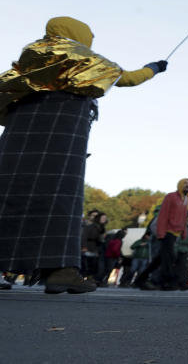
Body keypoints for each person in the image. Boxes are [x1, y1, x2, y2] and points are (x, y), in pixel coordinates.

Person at [0, 17, 166, 294]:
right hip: (62, 135)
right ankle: (61, 271)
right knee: (60, 201)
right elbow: (128, 78)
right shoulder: (84, 59)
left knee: (6, 196)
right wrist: (154, 68)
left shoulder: (29, 61)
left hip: (20, 137)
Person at [135, 178, 188, 290]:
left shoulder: (185, 199)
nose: (187, 185)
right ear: (179, 184)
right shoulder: (171, 197)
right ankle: (167, 282)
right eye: (185, 183)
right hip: (167, 232)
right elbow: (163, 215)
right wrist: (161, 232)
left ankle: (141, 279)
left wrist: (184, 231)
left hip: (176, 233)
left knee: (160, 259)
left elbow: (184, 217)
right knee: (168, 259)